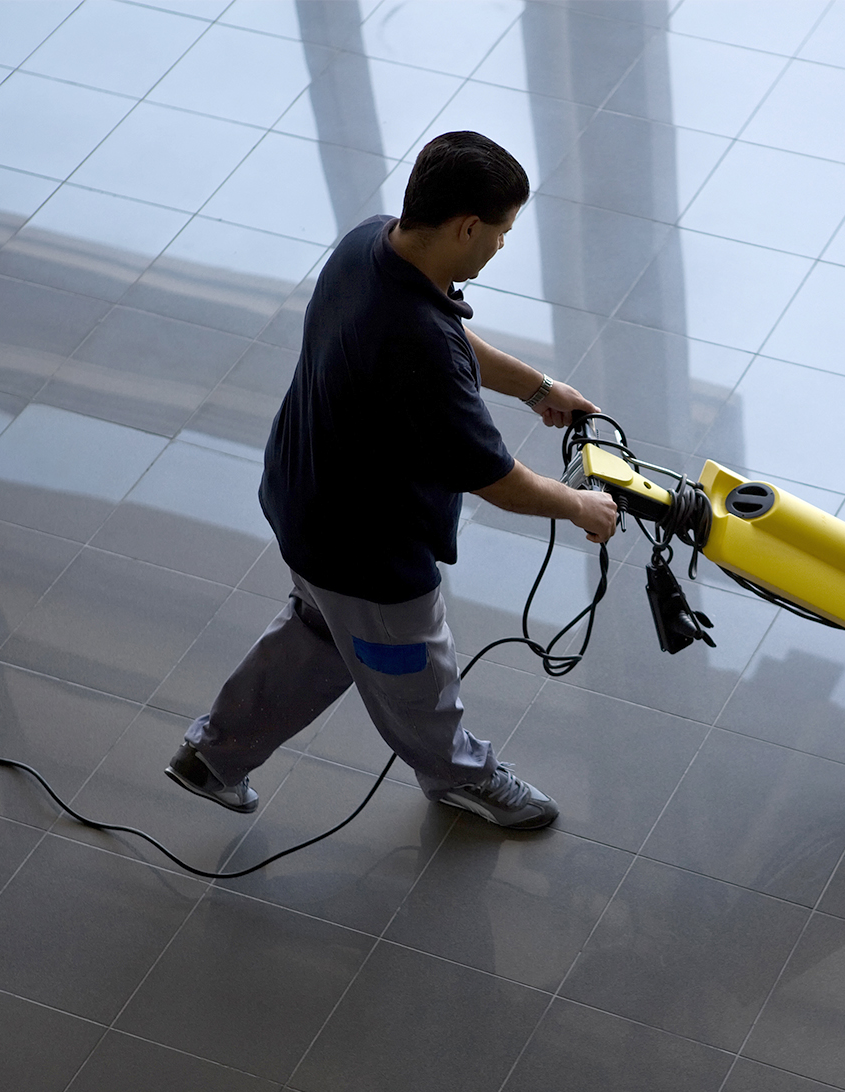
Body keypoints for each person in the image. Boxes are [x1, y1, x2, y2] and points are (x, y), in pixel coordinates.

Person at [165, 131, 618, 831]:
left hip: (304, 494)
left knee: (320, 632)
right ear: (468, 226)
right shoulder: (417, 350)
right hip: (364, 549)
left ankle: (215, 755)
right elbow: (498, 479)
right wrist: (581, 507)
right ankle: (461, 776)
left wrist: (535, 387)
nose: (501, 246)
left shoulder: (370, 244)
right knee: (414, 674)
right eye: (501, 232)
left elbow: (449, 333)